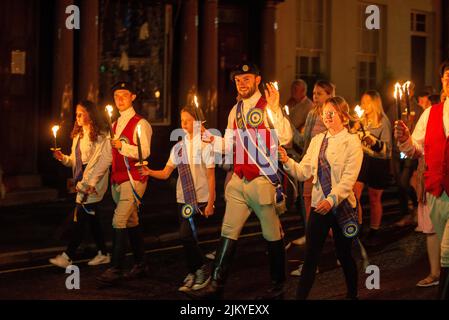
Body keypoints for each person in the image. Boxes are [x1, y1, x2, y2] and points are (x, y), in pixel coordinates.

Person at [187, 62, 293, 299]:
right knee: (228, 231)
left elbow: (285, 136)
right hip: (239, 180)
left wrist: (276, 109)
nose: (242, 83)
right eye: (238, 80)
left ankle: (278, 284)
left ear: (258, 80)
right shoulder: (235, 111)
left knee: (271, 234)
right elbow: (229, 143)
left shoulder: (270, 107)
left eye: (247, 79)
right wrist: (210, 139)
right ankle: (216, 284)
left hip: (263, 180)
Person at [279, 96, 363, 300]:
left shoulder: (352, 142)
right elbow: (303, 172)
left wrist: (332, 200)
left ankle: (352, 295)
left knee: (344, 255)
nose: (327, 116)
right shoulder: (318, 141)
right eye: (324, 112)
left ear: (343, 117)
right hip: (319, 207)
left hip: (341, 206)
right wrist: (287, 160)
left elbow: (348, 180)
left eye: (332, 112)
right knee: (310, 257)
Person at [139, 106, 216, 292]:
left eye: (188, 121)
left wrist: (211, 202)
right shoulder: (178, 147)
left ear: (197, 122)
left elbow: (211, 176)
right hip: (183, 198)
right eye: (182, 121)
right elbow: (166, 173)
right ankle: (194, 270)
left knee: (185, 235)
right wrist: (149, 172)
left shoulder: (206, 145)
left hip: (200, 198)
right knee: (187, 238)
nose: (184, 124)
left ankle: (202, 269)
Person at [86, 81, 153, 285]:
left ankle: (115, 268)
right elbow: (106, 157)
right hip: (117, 180)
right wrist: (92, 181)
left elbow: (145, 151)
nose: (120, 99)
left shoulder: (141, 123)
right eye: (116, 96)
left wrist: (122, 146)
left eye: (124, 95)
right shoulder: (114, 125)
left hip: (133, 179)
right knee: (131, 221)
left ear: (133, 97)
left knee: (119, 220)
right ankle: (141, 264)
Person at [395, 59, 449, 299]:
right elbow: (414, 149)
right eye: (446, 76)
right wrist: (405, 139)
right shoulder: (430, 113)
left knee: (447, 251)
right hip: (437, 190)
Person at [49, 100, 110, 268]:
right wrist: (63, 159)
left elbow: (101, 162)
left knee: (79, 218)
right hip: (80, 180)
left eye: (81, 113)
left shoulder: (100, 135)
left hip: (93, 183)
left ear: (90, 114)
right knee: (93, 219)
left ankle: (68, 256)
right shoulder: (78, 135)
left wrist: (91, 183)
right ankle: (104, 253)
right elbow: (74, 161)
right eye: (77, 114)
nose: (77, 117)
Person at [353, 90, 392, 244]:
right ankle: (358, 225)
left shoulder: (383, 122)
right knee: (355, 194)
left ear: (375, 103)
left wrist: (374, 143)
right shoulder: (361, 120)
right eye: (362, 102)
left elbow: (387, 150)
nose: (364, 105)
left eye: (367, 102)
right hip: (362, 161)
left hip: (378, 163)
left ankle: (374, 229)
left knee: (374, 198)